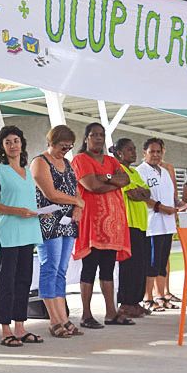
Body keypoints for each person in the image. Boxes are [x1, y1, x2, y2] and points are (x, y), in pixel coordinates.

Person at [0, 126, 44, 348]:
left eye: (16, 140)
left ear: (22, 143)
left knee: (24, 281)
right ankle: (5, 329)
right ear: (2, 146)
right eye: (8, 141)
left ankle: (20, 326)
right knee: (7, 283)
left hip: (27, 232)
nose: (13, 145)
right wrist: (16, 211)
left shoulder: (28, 172)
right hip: (8, 234)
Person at [71, 123, 131, 328]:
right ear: (86, 138)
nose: (98, 138)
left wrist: (105, 177)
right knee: (89, 267)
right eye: (94, 135)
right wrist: (112, 181)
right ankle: (86, 315)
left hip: (113, 227)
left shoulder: (112, 160)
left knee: (107, 268)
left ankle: (111, 313)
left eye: (101, 135)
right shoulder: (81, 159)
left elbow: (126, 179)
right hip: (92, 223)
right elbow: (91, 186)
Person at [31, 124, 84, 337]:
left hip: (67, 221)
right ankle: (53, 319)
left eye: (69, 147)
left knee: (62, 269)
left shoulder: (67, 163)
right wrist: (78, 202)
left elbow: (75, 187)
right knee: (49, 267)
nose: (66, 151)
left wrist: (77, 206)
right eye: (62, 147)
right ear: (51, 143)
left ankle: (63, 317)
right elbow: (51, 193)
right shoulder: (40, 162)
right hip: (49, 221)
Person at [136, 138, 182, 312]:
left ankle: (161, 296)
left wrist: (179, 204)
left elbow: (171, 195)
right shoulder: (140, 172)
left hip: (167, 224)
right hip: (152, 224)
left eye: (158, 152)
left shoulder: (164, 172)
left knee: (162, 262)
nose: (155, 155)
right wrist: (161, 207)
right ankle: (148, 298)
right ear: (144, 153)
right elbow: (142, 197)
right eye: (151, 152)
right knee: (152, 263)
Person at [113, 139, 151, 322]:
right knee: (129, 265)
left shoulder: (134, 172)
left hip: (141, 224)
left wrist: (141, 192)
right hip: (128, 223)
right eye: (129, 149)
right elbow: (133, 194)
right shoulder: (119, 170)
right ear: (119, 153)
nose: (133, 152)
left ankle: (136, 301)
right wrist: (140, 192)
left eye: (134, 149)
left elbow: (147, 193)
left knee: (140, 265)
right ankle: (126, 303)